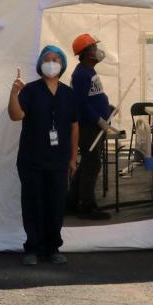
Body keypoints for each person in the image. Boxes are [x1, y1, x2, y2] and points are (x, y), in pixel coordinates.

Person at [8, 46, 79, 265]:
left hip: (58, 160)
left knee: (56, 204)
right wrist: (14, 93)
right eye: (47, 59)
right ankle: (32, 248)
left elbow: (74, 126)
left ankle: (53, 248)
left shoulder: (69, 93)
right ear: (40, 64)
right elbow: (15, 115)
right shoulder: (29, 90)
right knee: (33, 203)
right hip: (32, 159)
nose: (51, 62)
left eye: (56, 59)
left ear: (63, 65)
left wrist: (72, 157)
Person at [67, 33, 112, 220]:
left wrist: (106, 108)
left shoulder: (89, 71)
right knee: (92, 165)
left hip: (94, 126)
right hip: (88, 128)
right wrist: (98, 119)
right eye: (93, 48)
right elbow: (81, 104)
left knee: (87, 164)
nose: (97, 51)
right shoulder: (81, 74)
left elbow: (93, 97)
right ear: (85, 53)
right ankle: (87, 206)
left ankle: (71, 203)